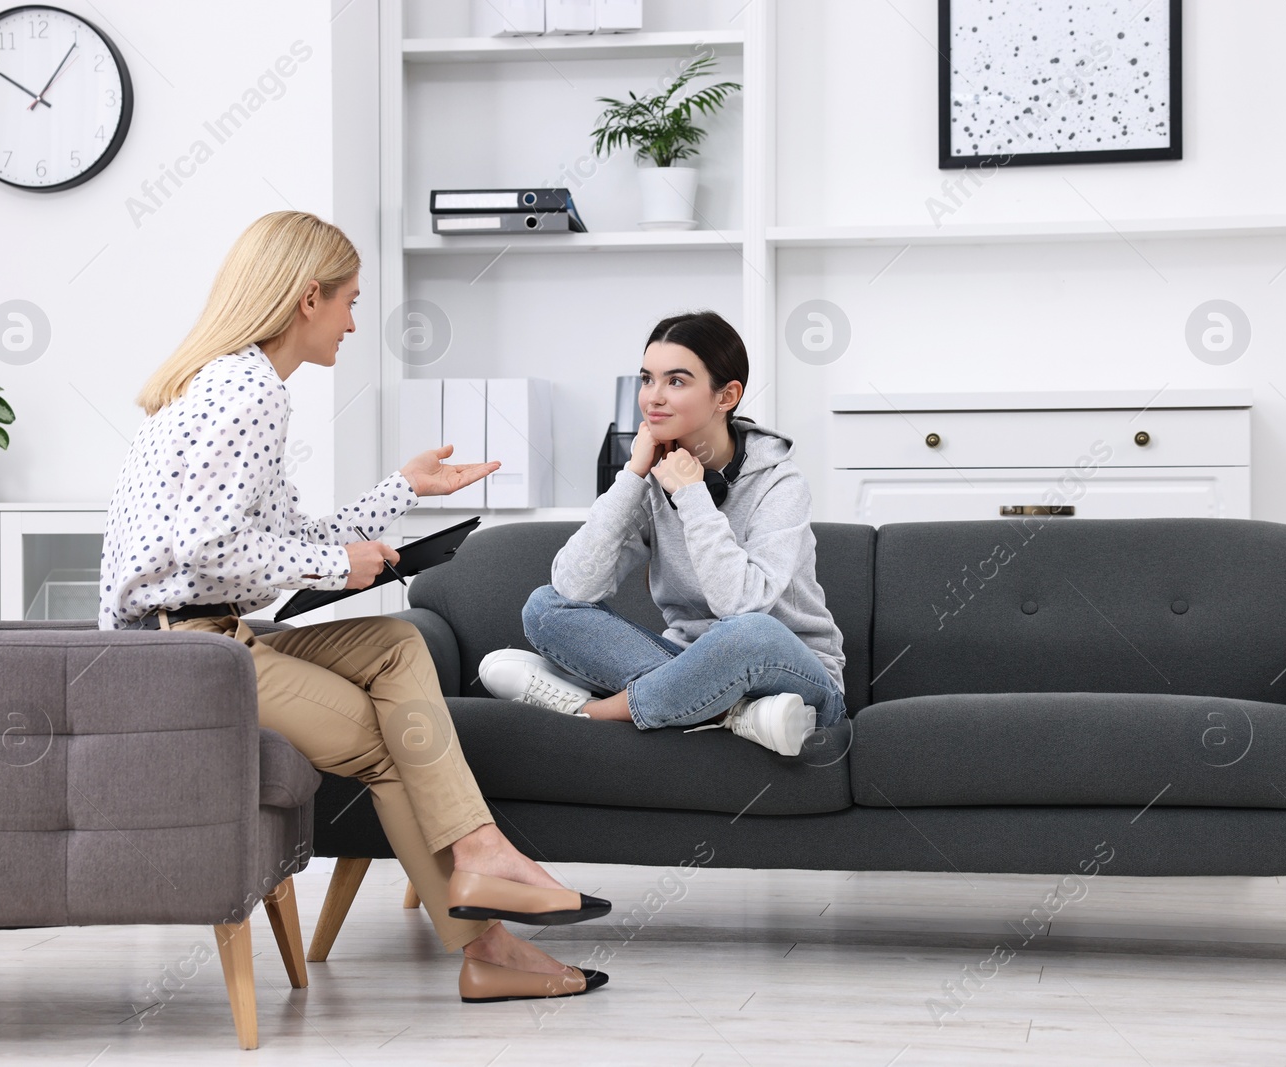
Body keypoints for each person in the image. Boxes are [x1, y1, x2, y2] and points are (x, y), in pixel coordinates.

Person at [98, 210, 609, 1003]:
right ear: (308, 298)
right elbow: (206, 555)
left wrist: (402, 492)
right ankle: (488, 943)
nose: (353, 321)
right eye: (350, 300)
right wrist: (336, 563)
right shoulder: (249, 394)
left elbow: (277, 536)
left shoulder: (226, 381)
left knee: (398, 645)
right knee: (385, 741)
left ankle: (480, 860)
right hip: (182, 656)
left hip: (208, 635)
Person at [477, 311, 848, 756]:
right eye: (647, 379)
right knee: (545, 607)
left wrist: (692, 496)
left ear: (726, 395)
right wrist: (632, 475)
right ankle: (730, 715)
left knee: (749, 632)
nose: (653, 398)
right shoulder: (652, 478)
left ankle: (597, 711)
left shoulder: (781, 484)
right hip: (690, 665)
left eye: (676, 381)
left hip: (796, 677)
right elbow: (574, 587)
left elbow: (742, 605)